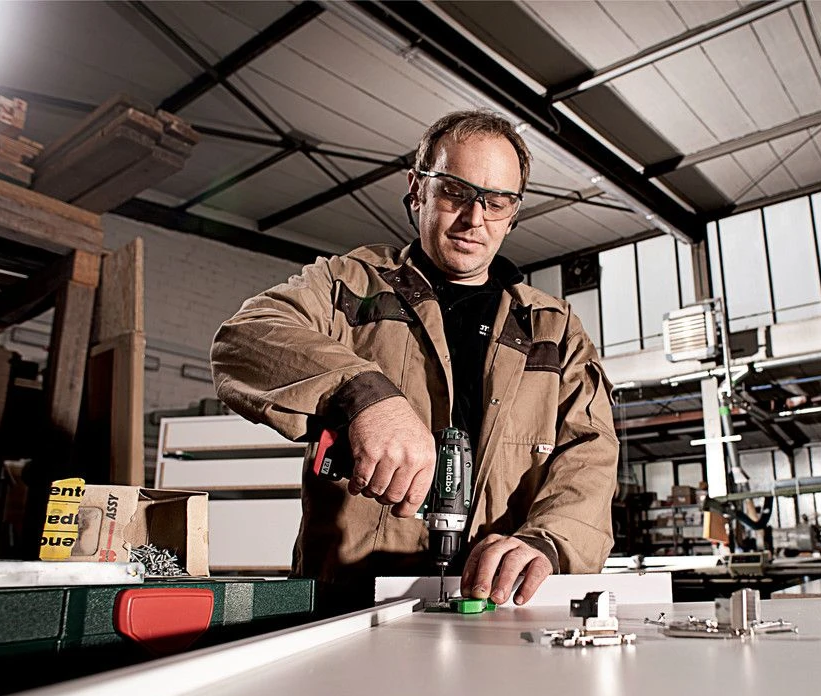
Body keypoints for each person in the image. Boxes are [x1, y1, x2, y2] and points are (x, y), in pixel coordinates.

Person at [211, 110, 618, 610]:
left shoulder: (552, 328)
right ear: (417, 189)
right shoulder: (348, 285)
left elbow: (590, 453)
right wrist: (363, 394)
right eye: (455, 192)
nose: (474, 218)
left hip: (500, 604)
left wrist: (548, 541)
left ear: (513, 213)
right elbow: (244, 338)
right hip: (351, 603)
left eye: (496, 202)